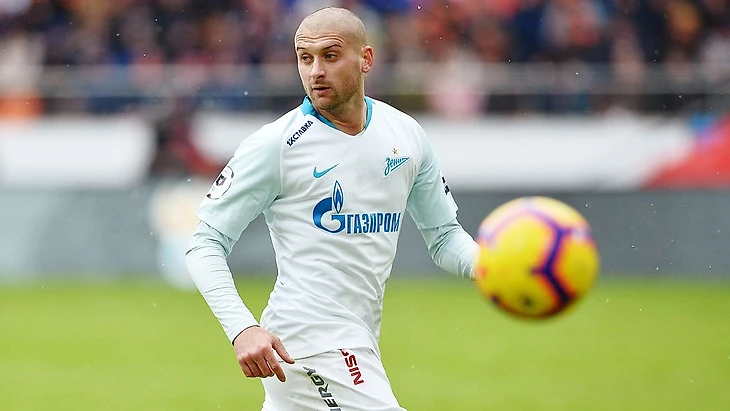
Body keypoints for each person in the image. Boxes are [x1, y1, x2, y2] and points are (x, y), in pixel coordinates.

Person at [185, 7, 479, 410]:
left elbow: (444, 237)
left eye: (330, 55)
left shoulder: (406, 135)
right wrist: (242, 328)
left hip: (357, 337)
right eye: (305, 58)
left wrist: (490, 265)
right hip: (308, 340)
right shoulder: (276, 145)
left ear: (366, 59)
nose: (315, 71)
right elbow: (204, 243)